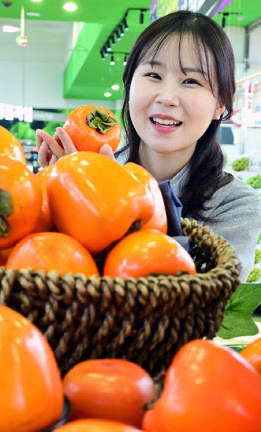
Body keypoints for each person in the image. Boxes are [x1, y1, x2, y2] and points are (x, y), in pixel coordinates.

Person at [36, 10, 261, 282]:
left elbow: (200, 301)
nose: (167, 98)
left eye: (191, 81)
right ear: (129, 85)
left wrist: (100, 204)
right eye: (153, 75)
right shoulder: (78, 173)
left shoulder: (235, 205)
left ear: (221, 105)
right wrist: (57, 196)